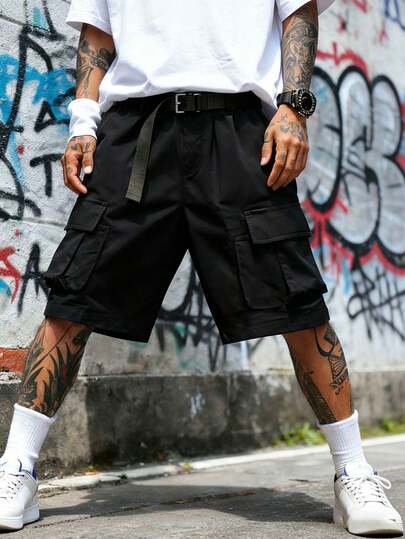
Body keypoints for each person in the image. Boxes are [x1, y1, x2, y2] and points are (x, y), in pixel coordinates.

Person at [0, 0, 402, 535]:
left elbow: (299, 14)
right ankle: (17, 469)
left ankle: (353, 473)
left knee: (298, 304)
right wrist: (82, 123)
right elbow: (97, 34)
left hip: (241, 133)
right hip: (136, 131)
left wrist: (293, 107)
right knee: (73, 297)